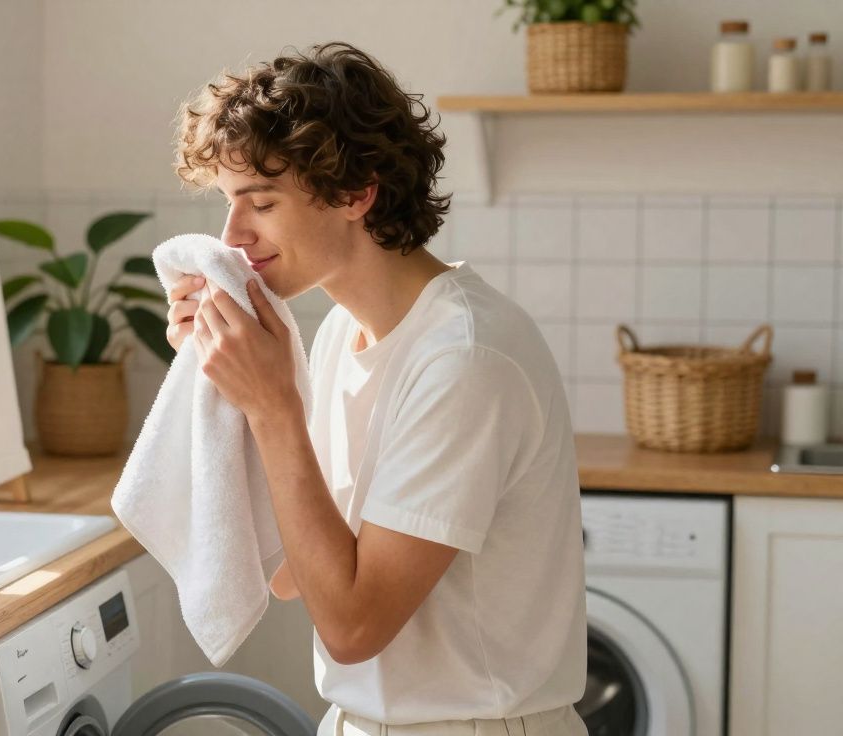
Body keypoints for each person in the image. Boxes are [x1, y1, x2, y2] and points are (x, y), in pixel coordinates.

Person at [165, 42, 588, 736]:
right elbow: (294, 574)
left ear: (357, 192)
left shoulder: (465, 358)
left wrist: (274, 408)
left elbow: (354, 627)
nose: (232, 237)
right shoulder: (339, 334)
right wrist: (227, 390)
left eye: (260, 203)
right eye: (227, 205)